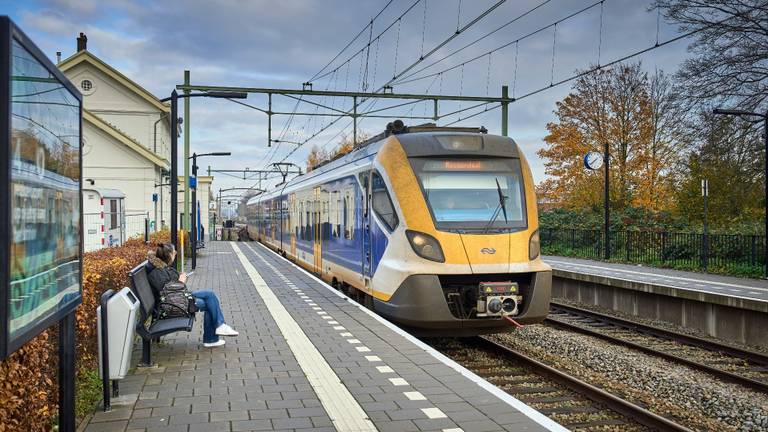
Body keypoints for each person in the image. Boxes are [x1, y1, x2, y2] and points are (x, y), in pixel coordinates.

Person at [146, 243, 238, 347]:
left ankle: (219, 327)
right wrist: (181, 281)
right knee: (209, 303)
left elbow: (168, 288)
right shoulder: (157, 272)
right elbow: (168, 292)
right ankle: (212, 337)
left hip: (178, 298)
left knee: (209, 294)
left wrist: (179, 278)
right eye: (174, 252)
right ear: (169, 255)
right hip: (173, 305)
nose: (175, 253)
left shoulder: (160, 268)